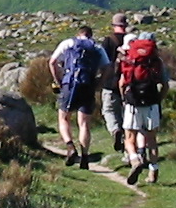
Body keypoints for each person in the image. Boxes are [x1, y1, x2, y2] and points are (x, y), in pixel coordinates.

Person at [48, 25, 110, 169]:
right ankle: (85, 157)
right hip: (88, 86)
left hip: (70, 85)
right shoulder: (97, 48)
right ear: (90, 35)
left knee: (64, 117)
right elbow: (107, 68)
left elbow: (52, 62)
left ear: (78, 33)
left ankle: (70, 146)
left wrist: (59, 81)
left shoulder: (68, 43)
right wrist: (99, 84)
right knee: (84, 123)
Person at [117, 30, 168, 185]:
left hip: (133, 102)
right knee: (151, 139)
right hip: (151, 101)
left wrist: (123, 99)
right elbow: (165, 85)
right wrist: (158, 99)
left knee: (129, 138)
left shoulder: (131, 59)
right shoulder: (157, 61)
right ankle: (153, 172)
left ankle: (134, 160)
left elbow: (121, 83)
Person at [98, 12, 132, 152]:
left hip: (110, 82)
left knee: (109, 110)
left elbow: (101, 62)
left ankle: (115, 130)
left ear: (114, 25)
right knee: (126, 115)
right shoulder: (132, 41)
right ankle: (128, 145)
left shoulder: (108, 41)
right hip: (129, 83)